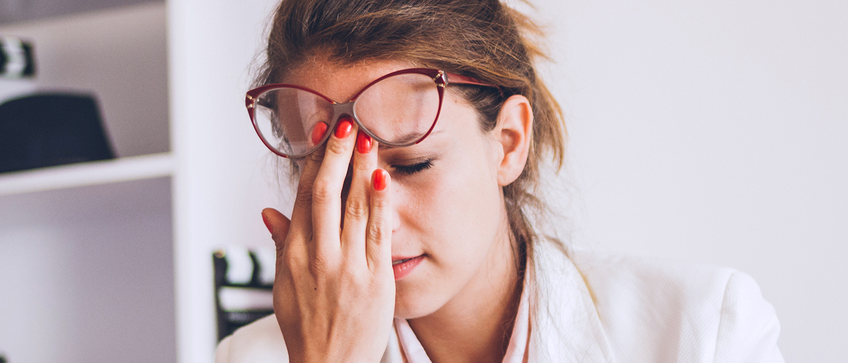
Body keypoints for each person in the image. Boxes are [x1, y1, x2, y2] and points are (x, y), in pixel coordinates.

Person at [218, 0, 785, 362]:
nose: (375, 219)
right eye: (330, 176)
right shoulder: (251, 358)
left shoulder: (705, 332)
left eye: (413, 163)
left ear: (508, 142)